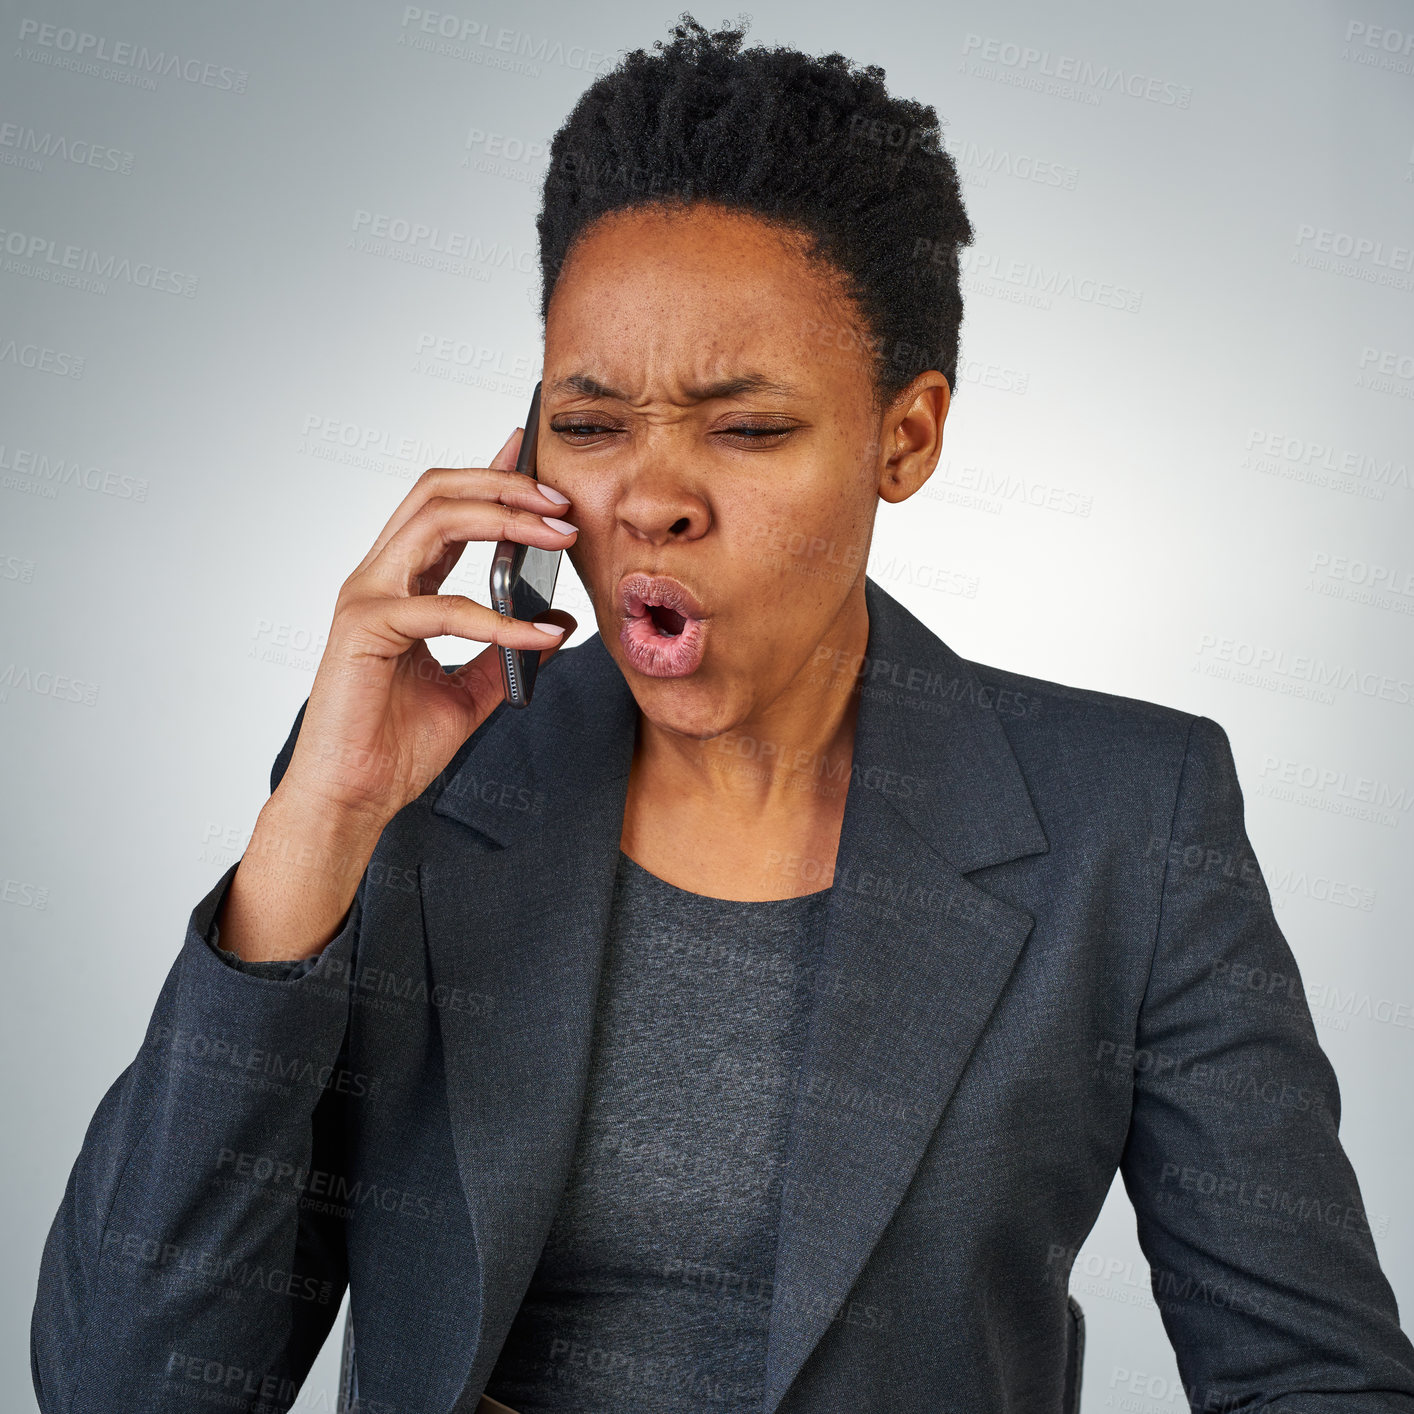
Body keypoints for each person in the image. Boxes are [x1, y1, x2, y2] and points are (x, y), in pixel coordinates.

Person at [31, 15, 1414, 1414]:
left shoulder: (1131, 815)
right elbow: (121, 1386)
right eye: (588, 425)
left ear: (905, 436)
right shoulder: (405, 793)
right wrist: (313, 830)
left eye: (746, 429)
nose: (649, 496)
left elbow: (1313, 1378)